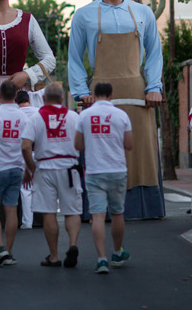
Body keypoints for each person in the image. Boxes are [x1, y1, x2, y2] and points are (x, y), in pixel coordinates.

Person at [67, 0, 164, 219]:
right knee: (100, 148)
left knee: (141, 150)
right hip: (97, 94)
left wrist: (154, 87)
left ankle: (145, 209)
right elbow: (74, 59)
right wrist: (81, 92)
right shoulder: (83, 15)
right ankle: (100, 210)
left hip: (138, 92)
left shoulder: (143, 13)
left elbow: (155, 54)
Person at [74, 82, 133, 274]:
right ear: (111, 95)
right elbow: (129, 144)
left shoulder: (84, 115)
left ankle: (101, 259)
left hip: (94, 170)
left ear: (94, 94)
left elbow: (78, 146)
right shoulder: (122, 115)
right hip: (117, 169)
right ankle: (117, 252)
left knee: (97, 215)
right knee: (117, 213)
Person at [21, 84, 82, 268]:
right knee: (72, 210)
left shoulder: (36, 117)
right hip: (69, 167)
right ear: (62, 100)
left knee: (48, 212)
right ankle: (72, 244)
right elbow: (82, 142)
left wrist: (32, 168)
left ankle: (54, 256)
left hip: (45, 167)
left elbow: (25, 146)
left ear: (44, 99)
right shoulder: (73, 117)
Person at [0, 80, 27, 266]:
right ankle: (9, 252)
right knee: (12, 210)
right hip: (17, 167)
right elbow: (28, 144)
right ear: (16, 96)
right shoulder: (24, 117)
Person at [15, 90, 38, 229]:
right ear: (29, 99)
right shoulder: (39, 112)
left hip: (23, 153)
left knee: (25, 189)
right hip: (39, 152)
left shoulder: (16, 114)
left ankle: (28, 222)